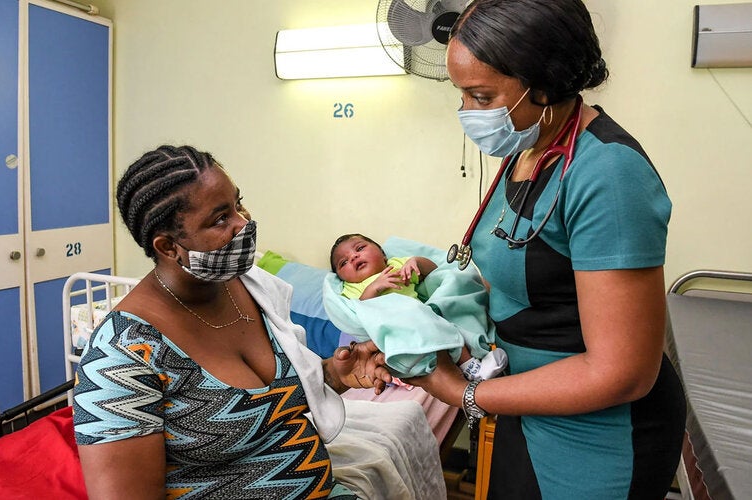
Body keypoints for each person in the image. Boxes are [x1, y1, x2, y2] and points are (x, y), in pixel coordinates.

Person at [406, 1, 687, 499]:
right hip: (526, 403)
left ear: (544, 83)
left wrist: (463, 393)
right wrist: (415, 320)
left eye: (481, 95)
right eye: (462, 95)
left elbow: (621, 373)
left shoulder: (608, 175)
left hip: (600, 432)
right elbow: (512, 274)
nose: (467, 113)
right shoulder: (527, 145)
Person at [72, 145, 394, 500]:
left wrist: (335, 374)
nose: (245, 222)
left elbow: (279, 399)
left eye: (238, 204)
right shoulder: (122, 355)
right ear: (167, 247)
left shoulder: (252, 286)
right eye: (220, 218)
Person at [326, 233, 507, 381]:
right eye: (344, 263)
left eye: (360, 248)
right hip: (401, 325)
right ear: (342, 278)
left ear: (382, 254)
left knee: (449, 312)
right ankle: (471, 368)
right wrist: (374, 287)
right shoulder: (353, 288)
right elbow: (361, 310)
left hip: (423, 314)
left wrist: (416, 263)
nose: (354, 257)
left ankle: (480, 347)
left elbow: (435, 271)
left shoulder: (395, 266)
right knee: (435, 328)